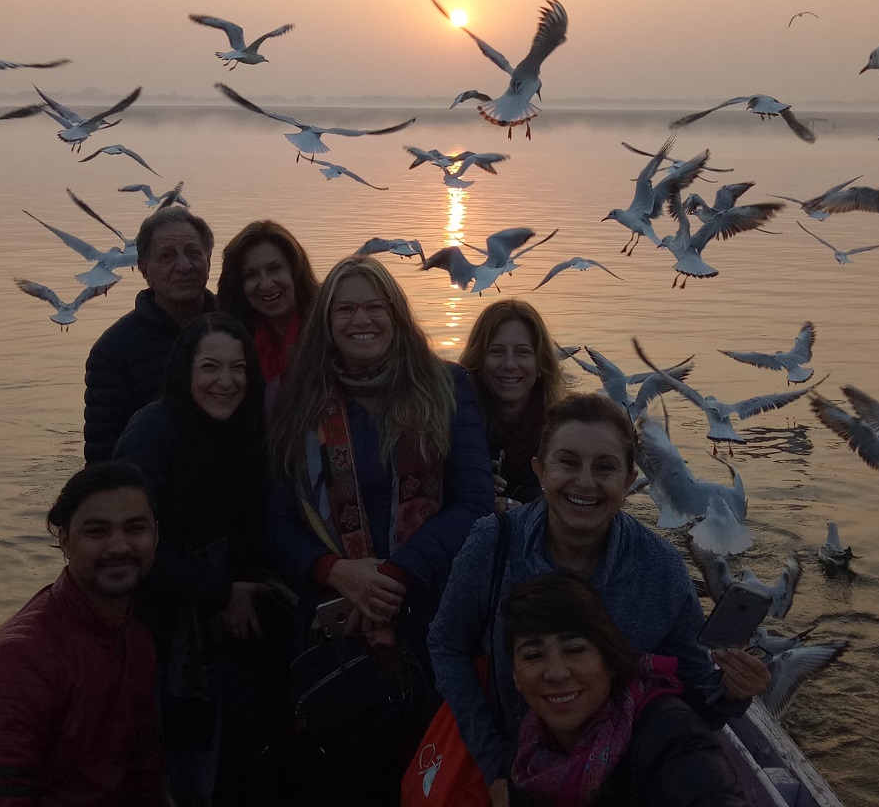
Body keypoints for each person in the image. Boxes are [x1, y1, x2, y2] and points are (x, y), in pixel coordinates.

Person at [428, 392, 770, 807]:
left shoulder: (659, 569)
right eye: (568, 462)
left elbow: (697, 697)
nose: (585, 482)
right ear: (540, 470)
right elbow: (447, 646)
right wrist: (494, 764)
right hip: (515, 771)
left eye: (604, 467)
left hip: (622, 783)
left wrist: (734, 690)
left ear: (629, 480)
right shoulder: (495, 544)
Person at [265, 256, 493, 804]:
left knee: (428, 776)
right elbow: (275, 521)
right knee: (344, 776)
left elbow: (474, 504)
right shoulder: (292, 398)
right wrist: (336, 571)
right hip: (335, 625)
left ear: (396, 314)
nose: (359, 319)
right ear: (326, 322)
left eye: (373, 306)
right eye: (344, 309)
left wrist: (394, 576)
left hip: (432, 620)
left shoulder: (447, 386)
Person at [114, 314, 296, 805]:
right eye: (210, 367)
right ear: (184, 371)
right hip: (164, 632)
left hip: (229, 631)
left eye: (239, 368)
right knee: (174, 764)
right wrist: (221, 592)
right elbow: (131, 546)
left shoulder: (246, 433)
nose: (226, 381)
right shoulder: (154, 431)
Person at [0, 461, 165, 807]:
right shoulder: (18, 662)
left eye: (135, 528)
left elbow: (145, 778)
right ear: (65, 541)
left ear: (156, 536)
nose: (119, 546)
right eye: (97, 532)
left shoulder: (136, 641)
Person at [501, 574, 747, 807]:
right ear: (515, 677)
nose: (556, 673)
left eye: (575, 650)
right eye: (533, 655)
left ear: (610, 661)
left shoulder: (668, 736)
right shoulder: (529, 746)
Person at [83, 205, 216, 461]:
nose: (184, 266)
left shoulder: (238, 326)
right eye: (167, 256)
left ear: (209, 260)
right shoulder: (113, 351)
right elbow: (103, 458)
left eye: (193, 252)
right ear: (144, 270)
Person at [458, 299, 566, 507]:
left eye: (523, 352)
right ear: (479, 360)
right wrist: (470, 486)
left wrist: (527, 512)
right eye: (496, 351)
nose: (509, 364)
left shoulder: (563, 432)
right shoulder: (453, 429)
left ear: (540, 363)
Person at [215, 220, 320, 393]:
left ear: (295, 270)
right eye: (251, 274)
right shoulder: (237, 342)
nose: (265, 284)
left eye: (275, 268)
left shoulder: (327, 330)